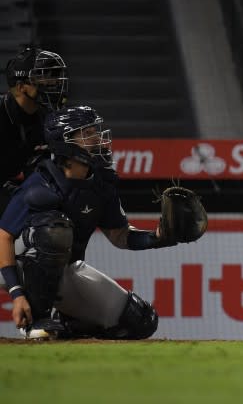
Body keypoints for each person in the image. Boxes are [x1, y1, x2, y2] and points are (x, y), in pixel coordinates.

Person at [0, 105, 193, 340]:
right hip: (14, 264)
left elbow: (119, 236)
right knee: (53, 230)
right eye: (87, 133)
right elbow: (4, 236)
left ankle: (66, 323)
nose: (97, 138)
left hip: (65, 271)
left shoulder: (100, 183)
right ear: (66, 142)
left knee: (140, 321)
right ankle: (37, 320)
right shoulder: (41, 183)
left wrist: (158, 238)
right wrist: (16, 293)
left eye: (95, 131)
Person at [1, 46, 69, 214]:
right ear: (21, 86)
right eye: (42, 77)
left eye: (51, 77)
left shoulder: (46, 117)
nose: (52, 82)